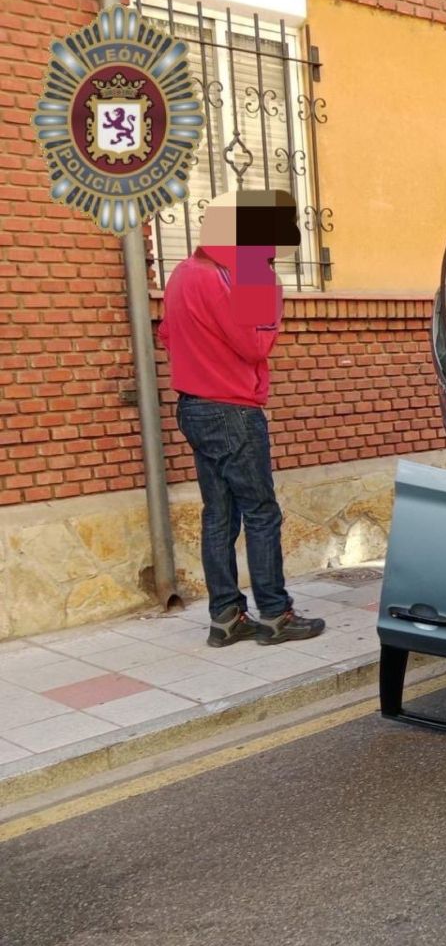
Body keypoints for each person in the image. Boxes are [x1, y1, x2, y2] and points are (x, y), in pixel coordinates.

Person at [159, 190, 325, 647]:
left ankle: (226, 617)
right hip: (232, 410)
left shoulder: (182, 274)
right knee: (261, 511)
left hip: (193, 406)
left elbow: (167, 335)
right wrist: (267, 288)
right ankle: (275, 615)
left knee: (219, 514)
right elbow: (256, 345)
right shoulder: (240, 276)